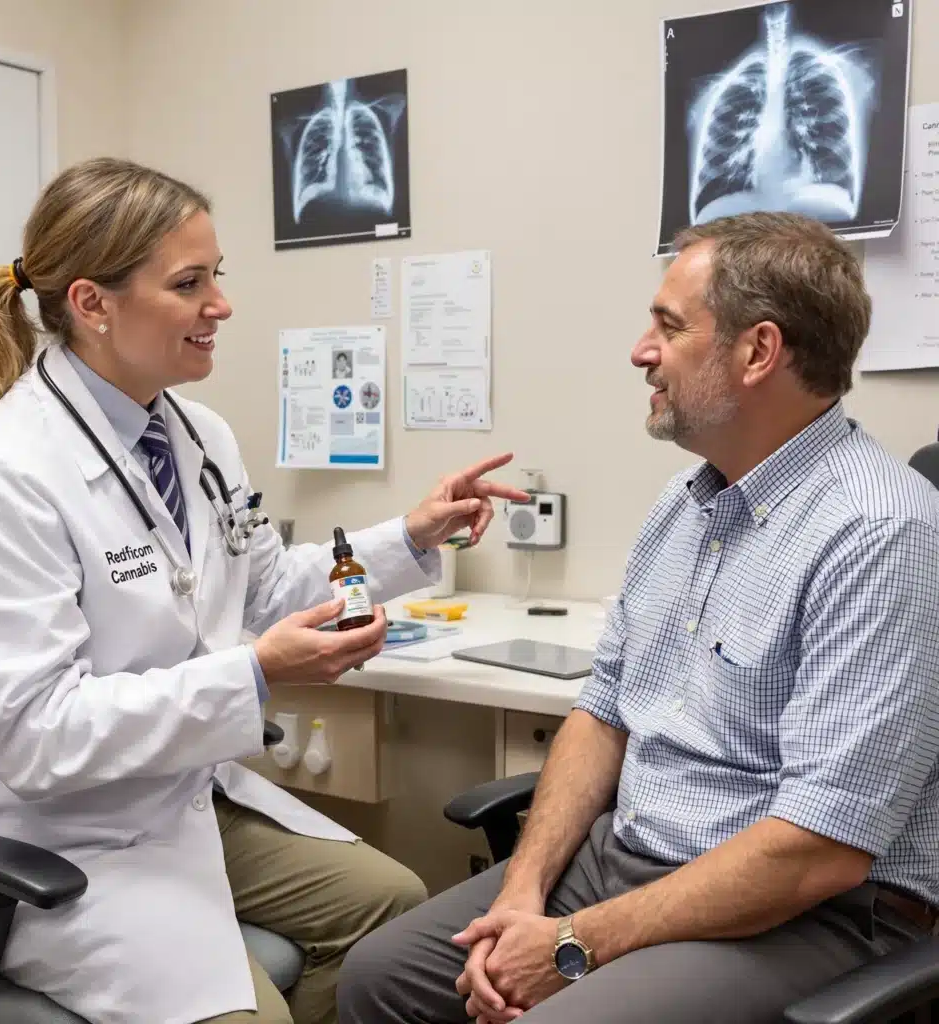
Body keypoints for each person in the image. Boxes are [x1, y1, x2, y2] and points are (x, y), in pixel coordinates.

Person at [0, 157, 529, 1024]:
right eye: (190, 283)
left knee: (391, 911)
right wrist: (255, 674)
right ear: (92, 304)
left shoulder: (196, 434)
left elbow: (264, 587)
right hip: (44, 838)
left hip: (177, 798)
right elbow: (34, 738)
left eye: (218, 276)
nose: (223, 305)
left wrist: (411, 536)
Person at [336, 212, 939, 1024]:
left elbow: (819, 848)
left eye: (668, 325)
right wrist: (523, 893)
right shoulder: (685, 502)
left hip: (804, 910)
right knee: (380, 977)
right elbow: (605, 708)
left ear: (759, 352)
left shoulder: (882, 533)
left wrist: (574, 944)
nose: (640, 351)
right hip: (625, 859)